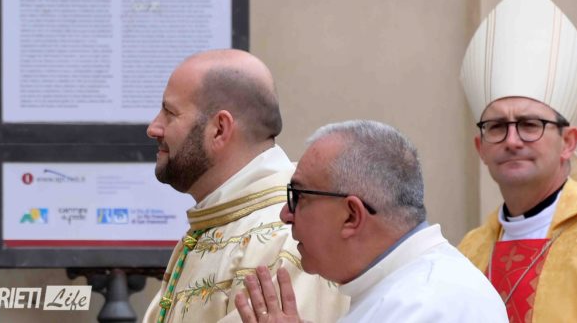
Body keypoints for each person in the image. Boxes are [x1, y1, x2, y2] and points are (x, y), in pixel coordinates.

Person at [458, 0, 577, 323]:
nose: (512, 140)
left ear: (568, 142)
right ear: (480, 148)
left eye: (530, 124)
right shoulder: (471, 250)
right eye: (496, 126)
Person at [142, 50, 348, 323]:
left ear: (219, 129)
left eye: (170, 113)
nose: (153, 128)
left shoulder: (293, 237)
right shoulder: (213, 221)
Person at [234, 120, 508, 322]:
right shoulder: (405, 287)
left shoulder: (426, 305)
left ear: (352, 216)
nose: (285, 214)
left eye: (299, 196)